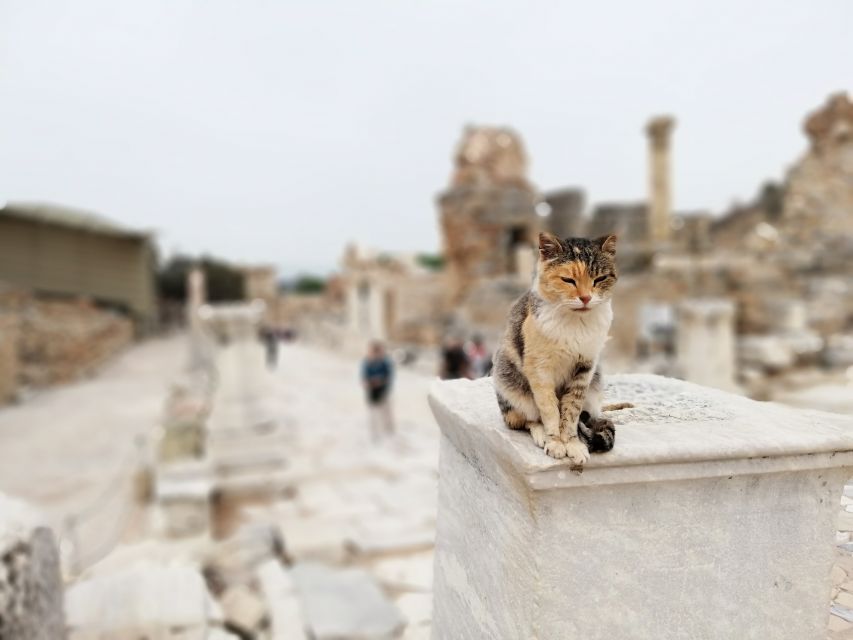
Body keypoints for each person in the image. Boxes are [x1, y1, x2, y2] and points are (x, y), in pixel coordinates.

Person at [361, 341, 395, 441]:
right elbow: (364, 378)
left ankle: (389, 431)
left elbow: (389, 377)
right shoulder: (367, 363)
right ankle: (375, 433)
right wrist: (370, 383)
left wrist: (380, 382)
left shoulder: (385, 363)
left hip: (383, 392)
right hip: (372, 392)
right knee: (373, 413)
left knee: (386, 412)